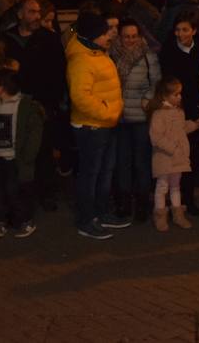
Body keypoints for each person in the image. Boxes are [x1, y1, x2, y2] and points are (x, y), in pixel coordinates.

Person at [0, 0, 68, 211]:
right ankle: (22, 193)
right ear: (20, 15)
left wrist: (53, 103)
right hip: (15, 103)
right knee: (18, 150)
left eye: (38, 12)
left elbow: (59, 72)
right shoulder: (7, 40)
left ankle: (46, 191)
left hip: (42, 104)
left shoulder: (49, 39)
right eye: (31, 12)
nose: (37, 16)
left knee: (43, 150)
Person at [67, 12, 127, 239]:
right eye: (104, 33)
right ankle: (86, 219)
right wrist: (108, 112)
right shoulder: (82, 60)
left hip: (106, 123)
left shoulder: (96, 53)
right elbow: (80, 97)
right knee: (91, 175)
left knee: (104, 172)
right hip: (92, 127)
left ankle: (100, 213)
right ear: (93, 36)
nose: (109, 35)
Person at [0, 68, 44, 239]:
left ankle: (24, 220)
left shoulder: (23, 107)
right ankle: (1, 220)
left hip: (14, 158)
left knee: (16, 190)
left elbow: (34, 133)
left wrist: (27, 156)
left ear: (4, 87)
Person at [158, 12, 199, 217]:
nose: (180, 34)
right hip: (176, 110)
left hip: (197, 109)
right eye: (178, 30)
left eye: (185, 30)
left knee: (194, 156)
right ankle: (172, 200)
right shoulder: (168, 51)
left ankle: (188, 198)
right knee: (175, 156)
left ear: (194, 31)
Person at [111, 18, 160, 221]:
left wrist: (148, 99)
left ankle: (142, 203)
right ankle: (123, 202)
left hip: (140, 118)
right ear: (119, 37)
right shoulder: (111, 54)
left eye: (133, 36)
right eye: (126, 36)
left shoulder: (148, 56)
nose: (130, 40)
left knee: (141, 162)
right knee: (122, 162)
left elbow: (156, 82)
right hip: (119, 117)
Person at [147, 76, 199, 231]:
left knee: (175, 186)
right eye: (176, 94)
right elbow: (156, 137)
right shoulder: (159, 114)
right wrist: (172, 147)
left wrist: (196, 124)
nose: (179, 97)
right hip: (165, 158)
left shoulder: (179, 112)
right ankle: (160, 215)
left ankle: (178, 214)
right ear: (165, 96)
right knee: (162, 186)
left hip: (178, 157)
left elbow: (181, 130)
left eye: (180, 94)